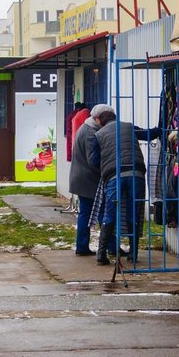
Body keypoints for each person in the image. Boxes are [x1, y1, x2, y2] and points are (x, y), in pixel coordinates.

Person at [90, 108, 161, 265]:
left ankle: (101, 255)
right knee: (133, 213)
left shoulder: (99, 134)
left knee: (110, 213)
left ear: (101, 121)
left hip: (114, 175)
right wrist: (161, 128)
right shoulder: (129, 127)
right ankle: (133, 255)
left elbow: (94, 161)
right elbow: (148, 134)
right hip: (137, 174)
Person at [68, 103, 107, 256]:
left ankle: (82, 246)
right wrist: (105, 171)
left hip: (81, 178)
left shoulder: (85, 128)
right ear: (97, 118)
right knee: (100, 213)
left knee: (87, 213)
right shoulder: (91, 133)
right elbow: (93, 161)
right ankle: (104, 246)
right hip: (88, 180)